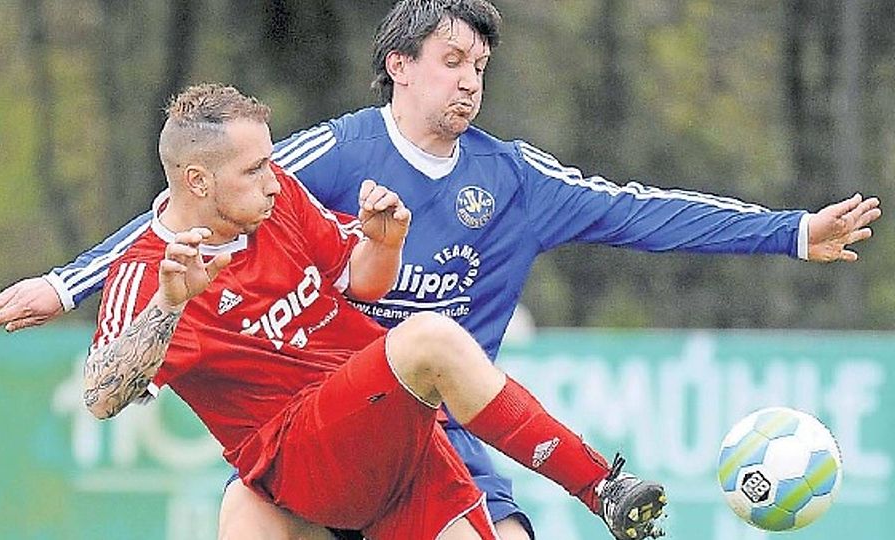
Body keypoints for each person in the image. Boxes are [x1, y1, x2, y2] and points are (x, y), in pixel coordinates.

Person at [0, 1, 881, 538]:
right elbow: (168, 225)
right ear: (397, 66)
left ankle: (588, 489)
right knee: (400, 363)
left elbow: (636, 210)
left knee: (430, 362)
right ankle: (600, 483)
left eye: (480, 65)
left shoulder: (507, 178)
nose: (469, 79)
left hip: (435, 435)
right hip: (310, 439)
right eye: (452, 59)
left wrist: (790, 232)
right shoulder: (315, 159)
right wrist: (68, 284)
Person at [86, 82, 667, 540]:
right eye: (254, 169)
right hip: (299, 455)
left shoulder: (280, 199)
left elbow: (360, 279)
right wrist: (170, 304)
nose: (273, 178)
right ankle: (601, 488)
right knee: (429, 341)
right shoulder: (146, 272)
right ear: (197, 180)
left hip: (387, 440)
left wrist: (385, 241)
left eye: (269, 161)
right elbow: (101, 397)